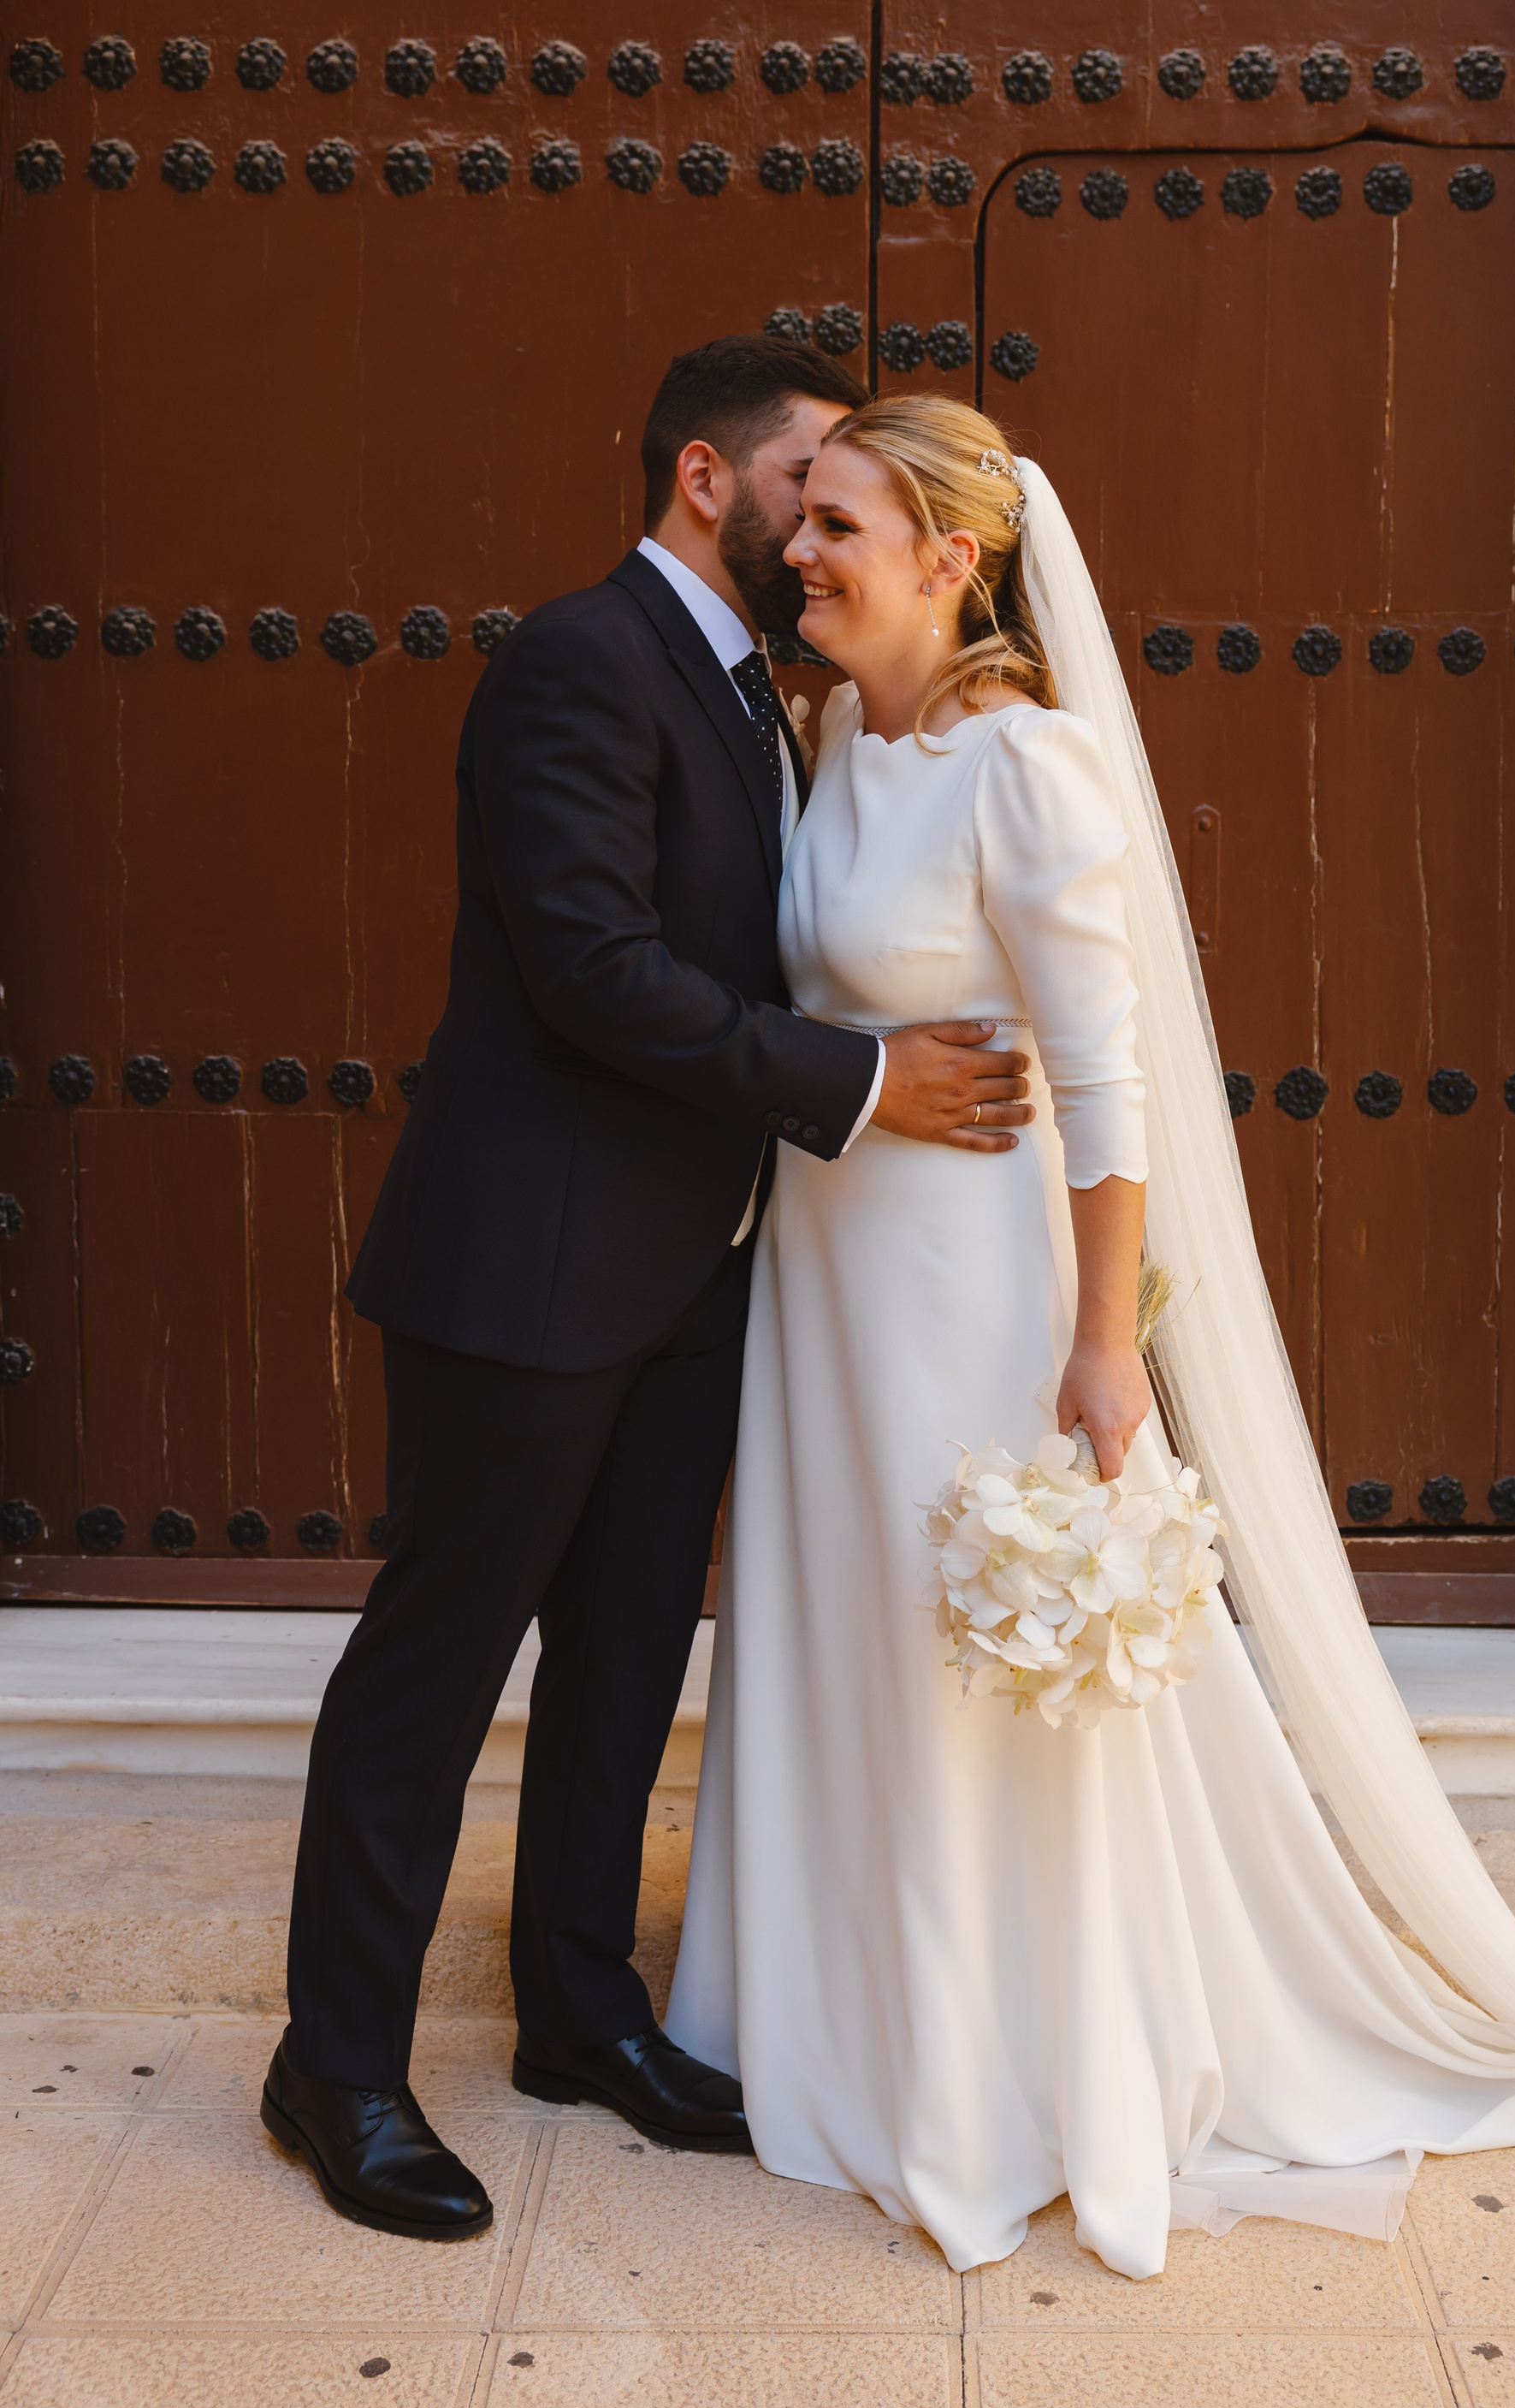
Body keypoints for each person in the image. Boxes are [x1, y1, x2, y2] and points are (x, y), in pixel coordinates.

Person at [666, 395, 1515, 2282]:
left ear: (952, 557)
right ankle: (832, 2013)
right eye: (807, 516)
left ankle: (993, 2069)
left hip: (973, 1291)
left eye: (844, 522)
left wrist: (1105, 1344)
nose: (804, 549)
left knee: (968, 1667)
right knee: (845, 1626)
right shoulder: (837, 736)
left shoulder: (1028, 764)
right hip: (829, 1286)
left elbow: (1109, 1088)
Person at [264, 340, 1038, 2240]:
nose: (823, 524)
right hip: (526, 1270)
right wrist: (863, 1083)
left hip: (698, 1274)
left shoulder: (772, 697)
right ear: (706, 478)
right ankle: (336, 2066)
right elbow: (593, 969)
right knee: (437, 1670)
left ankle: (580, 2011)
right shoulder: (579, 660)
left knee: (622, 1665)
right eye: (806, 486)